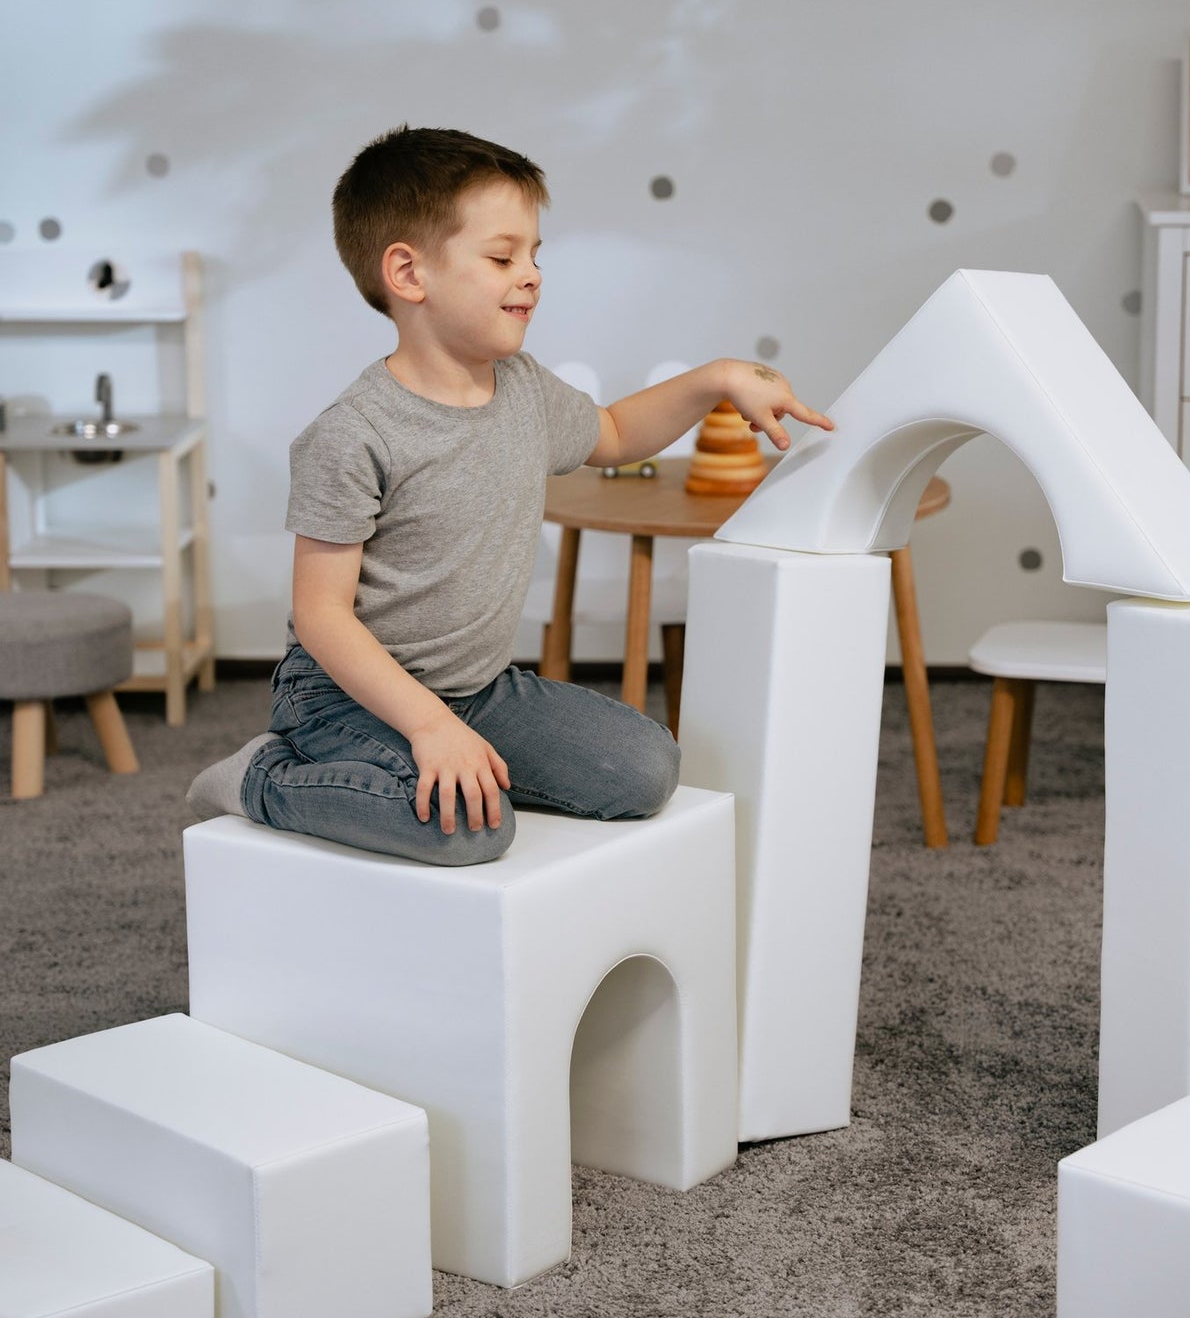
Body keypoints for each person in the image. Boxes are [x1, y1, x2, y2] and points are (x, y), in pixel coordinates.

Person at [187, 126, 833, 864]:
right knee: (467, 829)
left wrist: (714, 378)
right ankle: (264, 778)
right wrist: (427, 726)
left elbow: (617, 431)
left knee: (645, 769)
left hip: (479, 688)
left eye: (533, 255)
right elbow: (321, 614)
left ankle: (446, 754)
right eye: (502, 257)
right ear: (408, 272)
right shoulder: (353, 434)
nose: (531, 274)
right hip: (345, 696)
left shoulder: (523, 390)